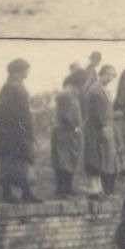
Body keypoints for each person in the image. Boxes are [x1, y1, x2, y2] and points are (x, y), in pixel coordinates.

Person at [0, 58, 39, 204]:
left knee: (21, 162)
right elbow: (8, 113)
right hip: (13, 133)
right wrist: (21, 130)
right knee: (12, 162)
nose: (28, 72)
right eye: (26, 69)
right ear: (19, 71)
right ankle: (9, 193)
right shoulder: (11, 87)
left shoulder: (16, 86)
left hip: (18, 131)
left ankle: (25, 192)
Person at [82, 63, 120, 198]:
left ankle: (98, 190)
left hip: (101, 127)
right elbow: (97, 112)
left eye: (113, 75)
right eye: (108, 74)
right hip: (95, 129)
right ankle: (94, 190)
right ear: (102, 73)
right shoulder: (96, 90)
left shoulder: (104, 90)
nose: (110, 78)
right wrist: (103, 126)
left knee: (101, 159)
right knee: (95, 158)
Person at [50, 69, 85, 199]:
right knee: (63, 160)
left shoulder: (72, 94)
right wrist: (73, 128)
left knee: (69, 159)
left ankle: (67, 188)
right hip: (64, 132)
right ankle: (62, 190)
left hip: (68, 132)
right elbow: (65, 116)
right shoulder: (67, 94)